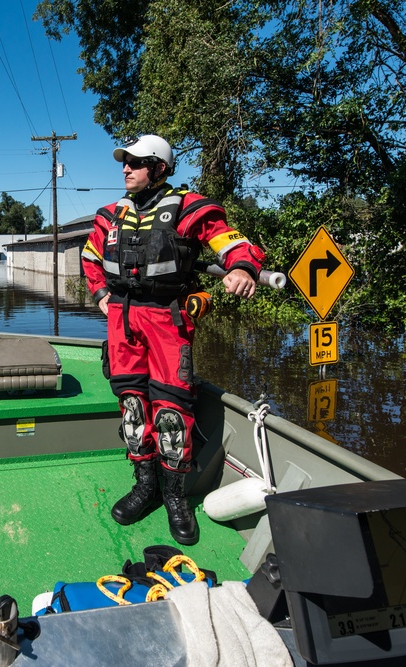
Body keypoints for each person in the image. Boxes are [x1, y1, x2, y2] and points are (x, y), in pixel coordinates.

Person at [81, 134, 264, 545]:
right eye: (123, 162)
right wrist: (101, 296)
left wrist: (243, 269)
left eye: (136, 162)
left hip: (168, 319)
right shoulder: (108, 216)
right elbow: (91, 259)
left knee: (171, 412)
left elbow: (232, 242)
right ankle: (145, 486)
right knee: (132, 406)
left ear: (160, 168)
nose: (125, 168)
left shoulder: (189, 209)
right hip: (122, 320)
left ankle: (175, 496)